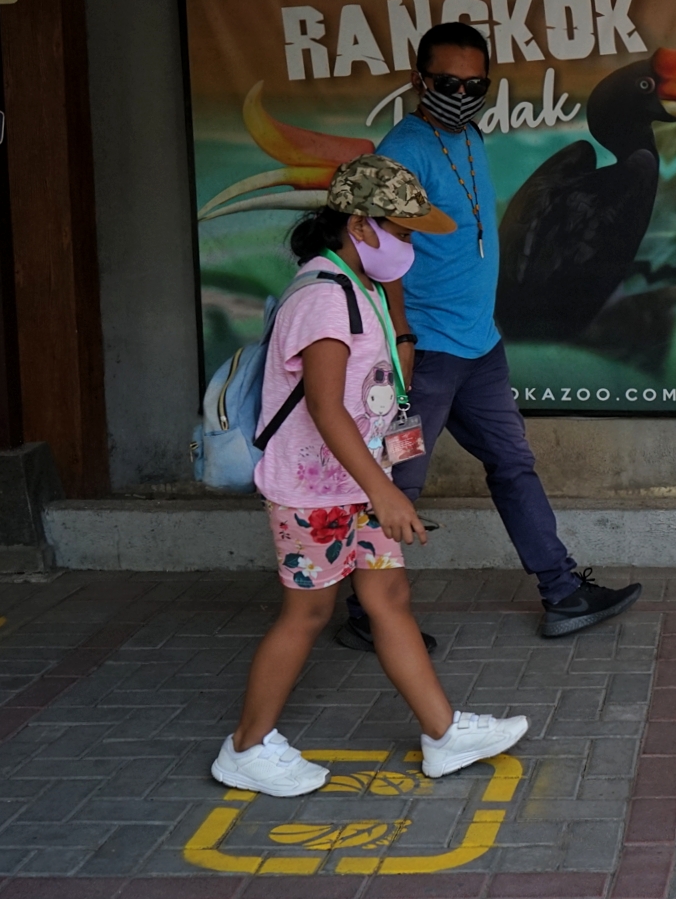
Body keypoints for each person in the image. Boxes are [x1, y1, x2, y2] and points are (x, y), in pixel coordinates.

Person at [211, 154, 527, 797]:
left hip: (354, 485)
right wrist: (385, 491)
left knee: (387, 600)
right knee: (307, 613)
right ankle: (245, 747)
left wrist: (397, 300)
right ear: (359, 225)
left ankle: (443, 735)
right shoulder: (323, 299)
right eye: (402, 233)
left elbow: (384, 386)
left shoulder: (360, 288)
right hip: (315, 492)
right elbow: (326, 407)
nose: (409, 247)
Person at [374, 21, 642, 639]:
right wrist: (403, 342)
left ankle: (563, 592)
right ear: (419, 79)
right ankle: (369, 613)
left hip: (480, 346)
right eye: (447, 83)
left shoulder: (469, 134)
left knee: (514, 465)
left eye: (475, 85)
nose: (462, 95)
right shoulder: (402, 152)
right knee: (399, 480)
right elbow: (381, 254)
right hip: (428, 357)